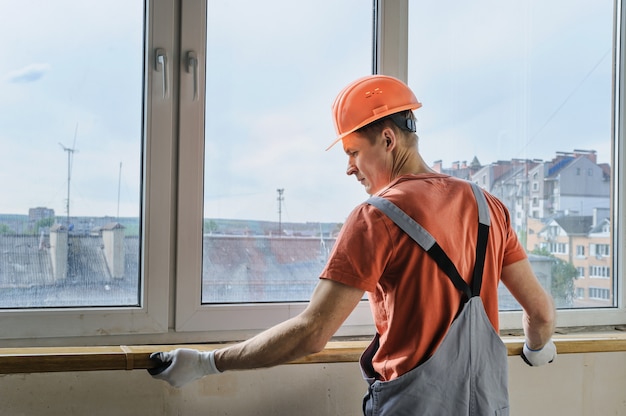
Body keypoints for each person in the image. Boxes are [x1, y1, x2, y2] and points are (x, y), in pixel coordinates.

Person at [149, 75, 557, 414]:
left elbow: (311, 332)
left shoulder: (376, 217)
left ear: (387, 139)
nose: (348, 168)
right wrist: (537, 353)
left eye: (353, 152)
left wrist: (205, 363)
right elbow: (539, 313)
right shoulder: (490, 207)